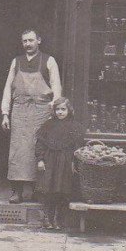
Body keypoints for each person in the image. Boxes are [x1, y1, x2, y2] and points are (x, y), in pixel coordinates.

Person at [1, 29, 62, 202]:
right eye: (24, 41)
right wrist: (5, 113)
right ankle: (17, 191)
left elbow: (56, 87)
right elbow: (7, 88)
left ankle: (37, 190)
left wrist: (54, 111)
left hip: (42, 111)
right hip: (20, 110)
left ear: (39, 41)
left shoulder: (49, 61)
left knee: (38, 149)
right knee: (18, 151)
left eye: (31, 40)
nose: (28, 44)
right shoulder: (16, 61)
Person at [35, 97, 85, 229]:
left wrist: (74, 162)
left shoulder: (75, 127)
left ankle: (58, 219)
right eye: (57, 109)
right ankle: (47, 218)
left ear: (69, 110)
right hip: (50, 161)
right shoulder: (48, 125)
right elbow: (40, 144)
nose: (60, 112)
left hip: (66, 162)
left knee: (62, 190)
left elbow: (77, 148)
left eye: (63, 109)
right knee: (48, 189)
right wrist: (40, 159)